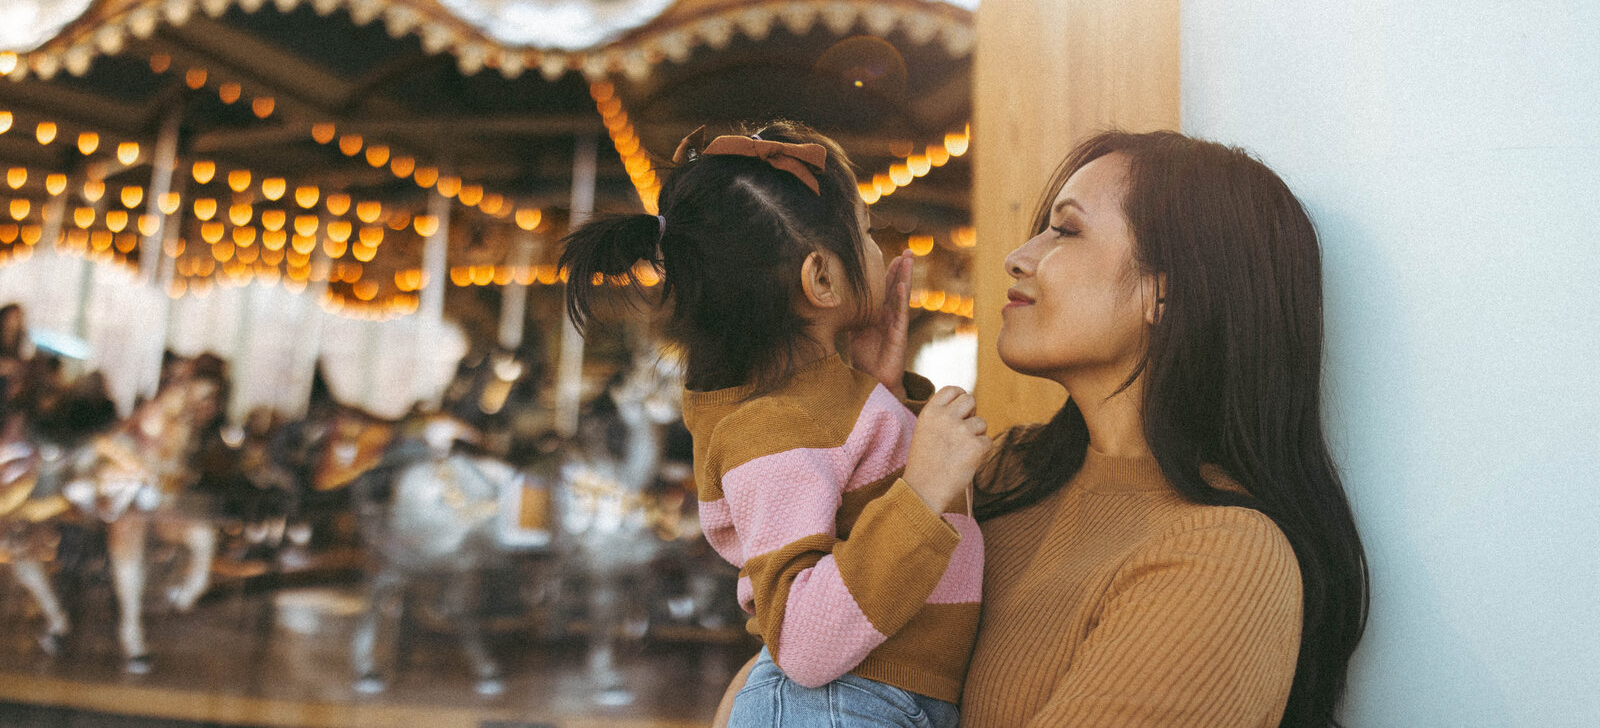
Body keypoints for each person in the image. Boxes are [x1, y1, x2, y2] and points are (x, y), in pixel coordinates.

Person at [561, 120, 991, 728]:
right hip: (838, 703)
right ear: (821, 278)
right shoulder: (772, 429)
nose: (879, 248)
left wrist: (886, 388)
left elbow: (862, 502)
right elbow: (806, 642)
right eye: (865, 232)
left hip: (877, 695)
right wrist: (922, 494)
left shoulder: (818, 403)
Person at [956, 130, 1369, 727]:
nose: (1018, 255)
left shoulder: (1225, 554)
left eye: (1066, 230)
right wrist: (858, 394)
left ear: (1166, 289)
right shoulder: (1006, 470)